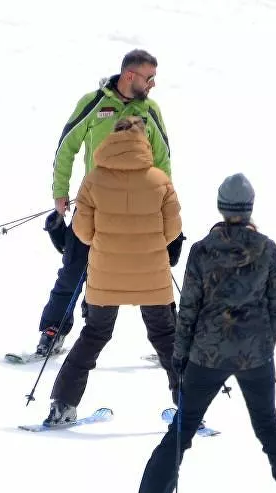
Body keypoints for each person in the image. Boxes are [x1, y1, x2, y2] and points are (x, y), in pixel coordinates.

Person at [133, 173, 276, 493]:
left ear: (221, 207)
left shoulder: (202, 251)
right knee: (269, 428)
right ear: (250, 207)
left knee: (183, 427)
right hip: (255, 355)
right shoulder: (267, 248)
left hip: (207, 352)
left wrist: (180, 354)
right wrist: (265, 343)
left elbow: (188, 307)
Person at [31, 48, 184, 359]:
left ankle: (174, 342)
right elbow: (66, 147)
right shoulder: (94, 103)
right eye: (149, 77)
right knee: (74, 269)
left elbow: (164, 161)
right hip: (96, 206)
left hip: (142, 212)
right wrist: (60, 192)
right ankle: (52, 331)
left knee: (153, 275)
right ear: (130, 75)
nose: (153, 83)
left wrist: (164, 203)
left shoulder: (150, 110)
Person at [42, 116, 183, 425]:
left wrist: (107, 246)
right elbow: (173, 230)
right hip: (152, 277)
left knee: (93, 336)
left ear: (110, 140)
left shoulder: (93, 180)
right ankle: (190, 406)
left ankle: (62, 405)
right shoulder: (160, 180)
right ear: (144, 142)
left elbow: (82, 231)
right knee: (166, 337)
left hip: (105, 276)